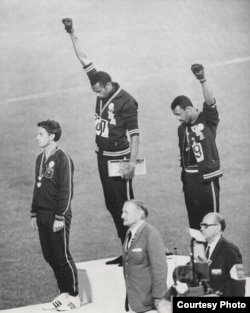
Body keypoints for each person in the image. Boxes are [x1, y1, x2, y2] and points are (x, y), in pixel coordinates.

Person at [62, 18, 140, 265]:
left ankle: (137, 252)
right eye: (94, 90)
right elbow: (84, 59)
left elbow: (135, 134)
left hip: (119, 159)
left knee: (128, 206)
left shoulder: (127, 101)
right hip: (102, 157)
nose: (95, 93)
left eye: (98, 91)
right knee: (112, 204)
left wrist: (131, 162)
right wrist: (72, 33)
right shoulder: (99, 83)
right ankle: (126, 250)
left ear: (109, 85)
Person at [31, 120, 80, 311]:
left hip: (57, 216)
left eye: (41, 134)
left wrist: (60, 217)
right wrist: (34, 212)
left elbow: (66, 191)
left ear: (52, 136)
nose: (37, 137)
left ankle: (75, 295)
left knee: (62, 256)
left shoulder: (63, 159)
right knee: (49, 255)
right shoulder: (39, 158)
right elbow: (37, 186)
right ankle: (64, 291)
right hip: (42, 214)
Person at [171, 64, 223, 230]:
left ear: (188, 109)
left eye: (179, 114)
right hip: (189, 181)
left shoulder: (206, 119)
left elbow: (210, 102)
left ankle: (213, 256)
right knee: (195, 225)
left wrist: (202, 79)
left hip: (206, 179)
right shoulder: (181, 129)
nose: (178, 118)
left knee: (211, 222)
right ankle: (198, 256)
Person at [121, 200, 167, 313]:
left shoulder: (151, 234)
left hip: (149, 305)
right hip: (134, 303)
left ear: (138, 214)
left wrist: (158, 297)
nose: (122, 216)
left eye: (126, 212)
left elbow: (160, 269)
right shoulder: (129, 233)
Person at [200, 212, 246, 296]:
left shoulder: (230, 250)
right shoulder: (201, 248)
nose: (202, 229)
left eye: (205, 226)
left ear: (217, 228)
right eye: (201, 225)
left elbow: (239, 284)